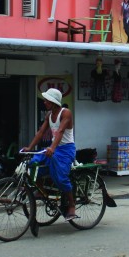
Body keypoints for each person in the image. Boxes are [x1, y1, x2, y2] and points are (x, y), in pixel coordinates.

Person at [22, 88, 78, 221]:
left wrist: (52, 147)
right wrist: (30, 147)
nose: (45, 102)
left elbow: (60, 131)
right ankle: (42, 191)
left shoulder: (66, 113)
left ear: (53, 102)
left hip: (66, 150)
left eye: (47, 100)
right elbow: (41, 132)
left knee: (60, 176)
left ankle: (71, 205)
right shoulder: (49, 115)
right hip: (54, 148)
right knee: (33, 163)